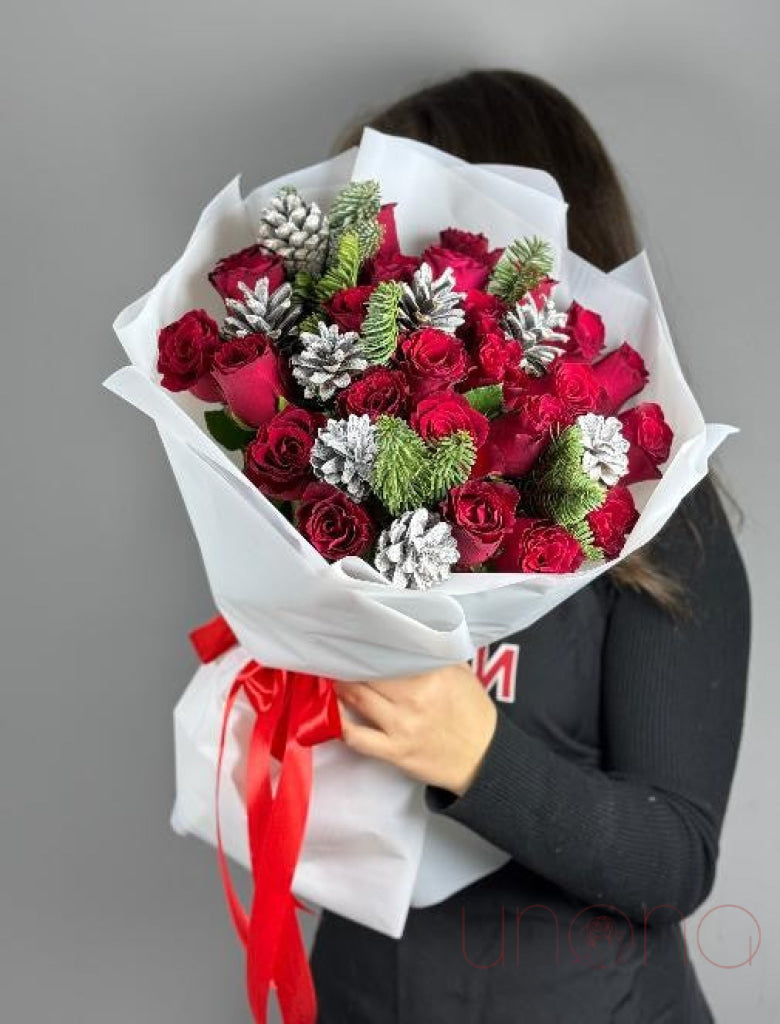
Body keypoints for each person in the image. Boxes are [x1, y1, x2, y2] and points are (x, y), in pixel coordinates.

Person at [309, 69, 751, 1023]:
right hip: (359, 993)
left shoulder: (658, 510)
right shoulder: (338, 483)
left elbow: (674, 858)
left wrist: (478, 753)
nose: (397, 273)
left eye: (432, 237)